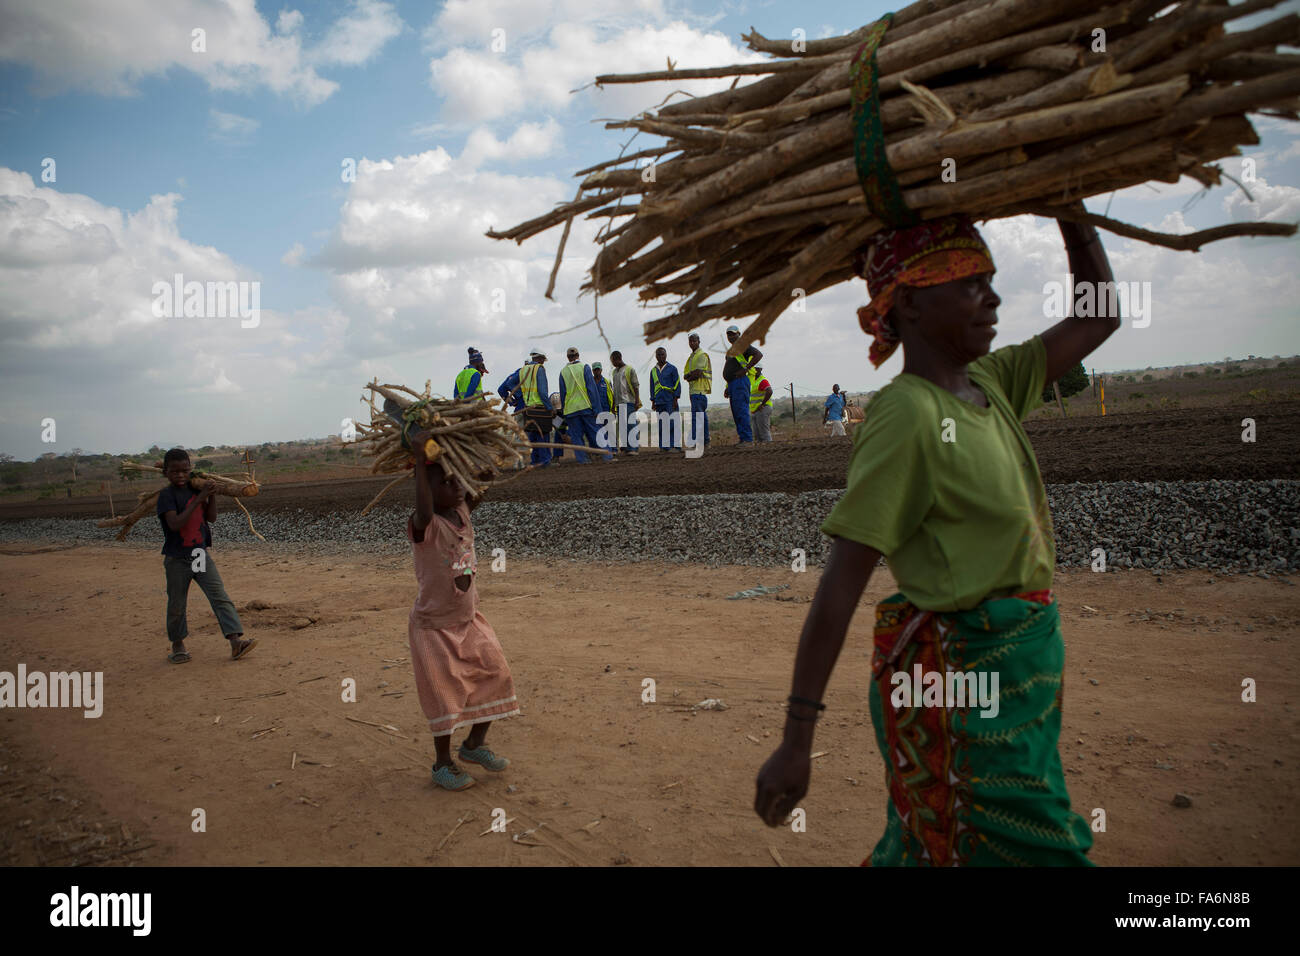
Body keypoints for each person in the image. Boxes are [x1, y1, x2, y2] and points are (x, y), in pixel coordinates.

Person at [754, 213, 1119, 866]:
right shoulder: (907, 415)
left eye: (991, 282)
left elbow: (1099, 318)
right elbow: (840, 586)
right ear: (914, 304)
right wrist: (796, 739)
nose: (995, 300)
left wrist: (1072, 211)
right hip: (957, 680)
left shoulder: (990, 383)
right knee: (1021, 844)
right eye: (972, 284)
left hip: (1018, 668)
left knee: (944, 844)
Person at [407, 439, 519, 791]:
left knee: (496, 675)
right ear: (428, 489)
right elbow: (424, 503)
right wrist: (420, 460)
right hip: (434, 627)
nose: (455, 487)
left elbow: (483, 479)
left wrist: (488, 449)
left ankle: (473, 746)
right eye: (445, 483)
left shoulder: (463, 511)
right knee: (445, 696)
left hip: (469, 620)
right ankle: (442, 764)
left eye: (457, 480)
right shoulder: (425, 526)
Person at [156, 447, 255, 664]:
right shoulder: (167, 496)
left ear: (190, 470)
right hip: (177, 558)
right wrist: (200, 497)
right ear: (165, 472)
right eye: (174, 471)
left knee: (219, 596)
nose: (180, 475)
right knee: (177, 604)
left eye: (184, 470)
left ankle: (235, 642)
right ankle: (178, 645)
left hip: (200, 554)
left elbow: (211, 519)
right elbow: (175, 524)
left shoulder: (194, 490)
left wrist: (211, 497)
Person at [498, 350, 555, 467]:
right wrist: (549, 407)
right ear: (539, 358)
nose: (544, 362)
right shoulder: (539, 369)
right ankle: (544, 462)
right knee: (542, 435)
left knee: (532, 436)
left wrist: (515, 399)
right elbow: (542, 391)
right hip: (539, 406)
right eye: (543, 359)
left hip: (527, 407)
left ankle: (534, 462)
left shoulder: (523, 370)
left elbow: (506, 385)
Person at [558, 347, 613, 463]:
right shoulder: (584, 368)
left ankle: (582, 460)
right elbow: (592, 390)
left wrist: (564, 410)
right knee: (596, 432)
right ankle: (607, 456)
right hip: (585, 407)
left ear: (567, 357)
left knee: (576, 436)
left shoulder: (563, 372)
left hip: (571, 410)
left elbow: (562, 394)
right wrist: (597, 409)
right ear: (578, 355)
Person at [721, 325, 761, 444]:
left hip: (740, 382)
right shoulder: (730, 351)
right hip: (732, 384)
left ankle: (747, 439)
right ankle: (742, 438)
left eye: (733, 333)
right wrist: (727, 387)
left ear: (739, 334)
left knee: (741, 410)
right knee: (736, 412)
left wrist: (746, 368)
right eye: (728, 334)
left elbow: (758, 354)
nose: (731, 336)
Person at [609, 350, 641, 455]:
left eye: (612, 361)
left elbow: (636, 386)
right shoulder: (614, 372)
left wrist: (637, 400)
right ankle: (627, 447)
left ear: (618, 359)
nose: (612, 363)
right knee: (623, 426)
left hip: (629, 402)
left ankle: (633, 448)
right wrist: (613, 405)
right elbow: (614, 389)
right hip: (619, 403)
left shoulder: (629, 369)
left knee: (631, 425)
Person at [683, 332, 712, 449]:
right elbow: (686, 375)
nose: (692, 343)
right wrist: (690, 375)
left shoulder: (701, 355)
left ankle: (693, 442)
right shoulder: (692, 357)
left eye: (694, 341)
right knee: (702, 418)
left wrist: (689, 376)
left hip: (699, 391)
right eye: (690, 341)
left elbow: (698, 373)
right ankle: (706, 441)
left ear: (699, 341)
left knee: (696, 418)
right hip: (695, 392)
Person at [649, 347, 681, 450]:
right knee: (662, 425)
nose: (661, 356)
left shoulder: (672, 368)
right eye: (658, 355)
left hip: (670, 400)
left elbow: (677, 384)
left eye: (662, 354)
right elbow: (652, 387)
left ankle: (675, 446)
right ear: (656, 356)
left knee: (672, 423)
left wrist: (676, 399)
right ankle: (664, 447)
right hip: (659, 401)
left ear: (666, 355)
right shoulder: (653, 371)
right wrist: (653, 401)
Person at [591, 361, 615, 456]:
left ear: (601, 370)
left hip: (606, 410)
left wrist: (613, 409)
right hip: (595, 412)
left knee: (609, 430)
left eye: (598, 369)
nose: (597, 371)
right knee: (597, 432)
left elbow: (612, 396)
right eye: (595, 370)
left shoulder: (607, 382)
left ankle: (613, 449)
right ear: (593, 371)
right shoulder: (590, 383)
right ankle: (599, 451)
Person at [748, 364, 775, 442]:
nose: (753, 370)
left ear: (759, 369)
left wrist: (762, 404)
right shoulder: (753, 380)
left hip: (763, 408)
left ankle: (769, 449)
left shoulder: (762, 380)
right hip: (755, 410)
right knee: (756, 434)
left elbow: (769, 391)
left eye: (755, 368)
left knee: (764, 433)